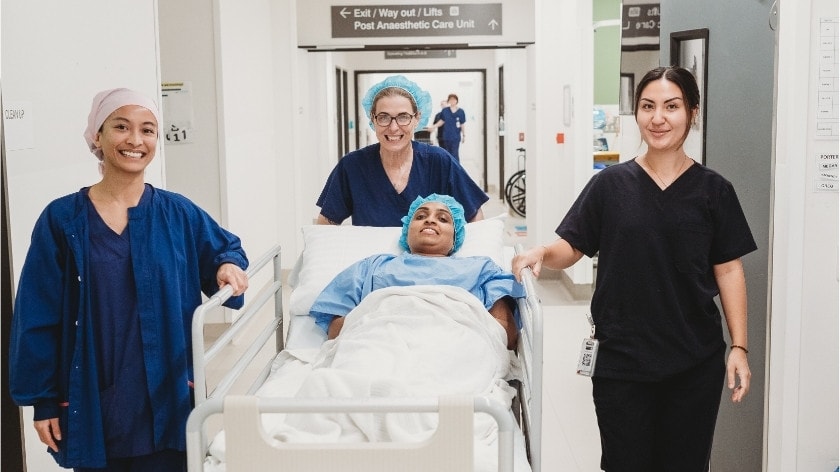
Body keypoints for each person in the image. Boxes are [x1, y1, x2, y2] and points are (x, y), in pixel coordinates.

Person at [512, 66, 757, 471]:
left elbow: (729, 270)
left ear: (693, 113)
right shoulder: (610, 185)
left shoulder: (714, 190)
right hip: (622, 358)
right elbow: (573, 245)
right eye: (647, 106)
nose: (658, 118)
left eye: (671, 106)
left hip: (693, 360)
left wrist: (740, 347)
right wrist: (541, 251)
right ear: (637, 114)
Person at [8, 88, 250, 471]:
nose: (136, 140)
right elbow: (37, 314)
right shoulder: (62, 219)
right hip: (92, 394)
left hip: (167, 392)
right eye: (121, 127)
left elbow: (225, 249)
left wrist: (226, 265)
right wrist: (44, 400)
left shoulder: (178, 212)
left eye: (148, 130)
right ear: (97, 137)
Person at [310, 194, 523, 349]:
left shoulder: (481, 269)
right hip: (378, 346)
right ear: (406, 231)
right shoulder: (373, 266)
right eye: (420, 216)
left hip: (454, 348)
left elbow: (505, 334)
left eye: (443, 219)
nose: (430, 220)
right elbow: (336, 329)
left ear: (455, 236)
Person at [316, 76, 488, 227]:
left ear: (417, 118)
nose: (393, 127)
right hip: (373, 262)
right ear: (372, 119)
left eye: (403, 117)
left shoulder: (439, 162)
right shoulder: (352, 166)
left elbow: (475, 215)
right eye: (383, 117)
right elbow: (326, 222)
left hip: (430, 263)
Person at [428, 93, 466, 161]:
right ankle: (447, 170)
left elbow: (462, 124)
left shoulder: (461, 112)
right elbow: (442, 121)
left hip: (455, 137)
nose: (452, 101)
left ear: (457, 101)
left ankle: (455, 171)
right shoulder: (445, 111)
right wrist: (433, 126)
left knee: (454, 154)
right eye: (450, 100)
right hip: (446, 136)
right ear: (448, 101)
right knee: (446, 154)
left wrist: (464, 135)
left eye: (454, 100)